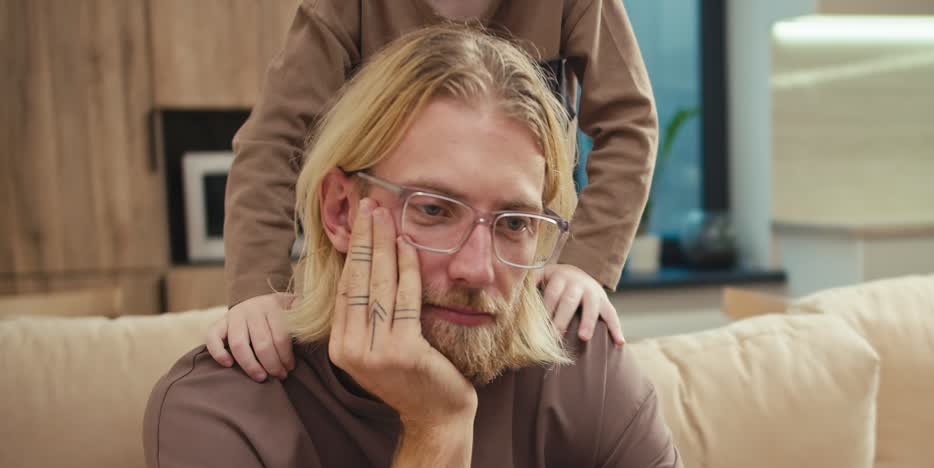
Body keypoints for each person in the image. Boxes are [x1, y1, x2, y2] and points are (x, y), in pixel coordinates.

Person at [145, 24, 783, 468]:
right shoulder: (218, 412)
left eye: (514, 223)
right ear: (338, 211)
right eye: (434, 210)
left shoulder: (576, 362)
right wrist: (436, 426)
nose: (479, 270)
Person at [207, 0, 658, 383]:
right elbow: (274, 140)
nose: (471, 268)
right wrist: (256, 287)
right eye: (434, 208)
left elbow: (630, 125)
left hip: (517, 292)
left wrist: (585, 265)